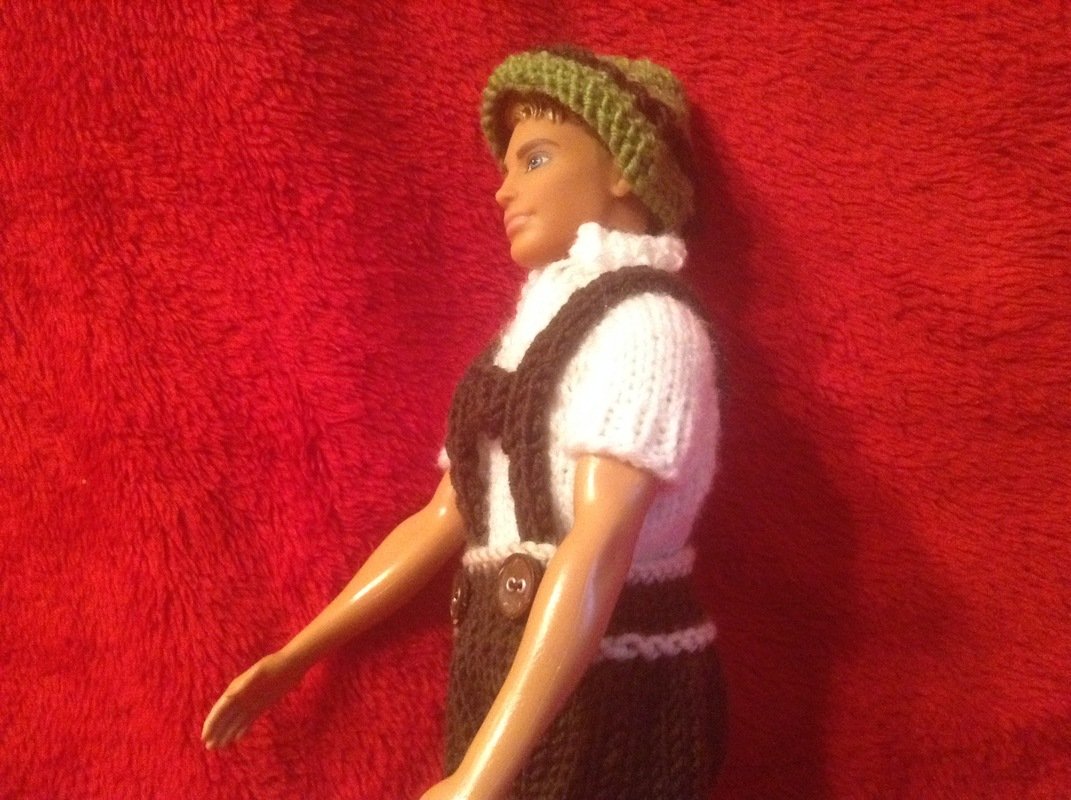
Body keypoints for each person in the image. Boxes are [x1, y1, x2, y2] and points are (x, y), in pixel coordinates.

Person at [202, 45, 726, 800]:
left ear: (622, 169)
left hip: (612, 700)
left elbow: (600, 544)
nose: (503, 190)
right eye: (506, 168)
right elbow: (446, 514)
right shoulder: (530, 335)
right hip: (503, 683)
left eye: (535, 159)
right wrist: (297, 655)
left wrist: (477, 778)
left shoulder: (647, 327)